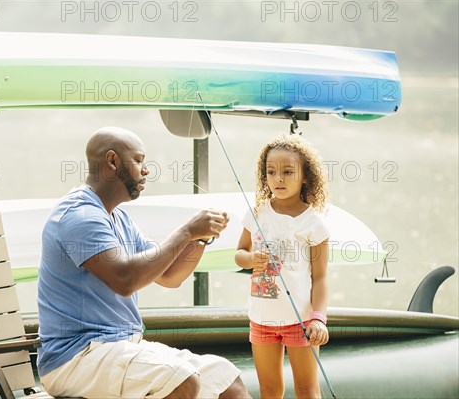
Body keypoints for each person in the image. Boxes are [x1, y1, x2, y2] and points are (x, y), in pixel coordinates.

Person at [37, 126, 251, 399]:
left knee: (225, 379)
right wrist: (185, 231)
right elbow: (125, 280)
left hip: (121, 349)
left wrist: (198, 239)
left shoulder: (118, 217)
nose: (146, 170)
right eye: (138, 161)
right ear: (113, 162)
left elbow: (171, 276)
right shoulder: (80, 215)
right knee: (181, 381)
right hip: (76, 358)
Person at [234, 134, 330, 399]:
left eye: (288, 172)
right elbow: (240, 253)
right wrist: (251, 260)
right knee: (269, 389)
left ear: (305, 176)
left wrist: (319, 319)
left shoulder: (314, 223)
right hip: (261, 318)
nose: (278, 179)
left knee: (307, 390)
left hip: (300, 321)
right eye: (271, 172)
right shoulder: (257, 212)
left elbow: (320, 278)